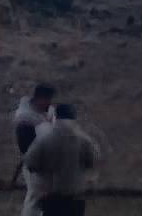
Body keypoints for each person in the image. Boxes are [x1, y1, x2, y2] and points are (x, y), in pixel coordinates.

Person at [24, 103, 100, 216]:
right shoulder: (84, 140)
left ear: (56, 116)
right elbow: (92, 160)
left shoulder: (44, 140)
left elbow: (30, 163)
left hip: (51, 196)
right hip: (76, 195)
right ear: (74, 117)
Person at [13, 84, 56, 216]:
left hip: (46, 162)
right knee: (35, 197)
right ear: (39, 99)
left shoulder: (46, 112)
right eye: (47, 100)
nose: (49, 103)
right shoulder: (24, 117)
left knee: (44, 197)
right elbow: (25, 145)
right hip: (34, 162)